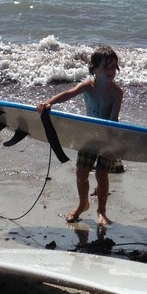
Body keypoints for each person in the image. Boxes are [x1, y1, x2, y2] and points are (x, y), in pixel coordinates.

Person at [39, 46, 123, 226]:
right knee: (81, 172)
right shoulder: (87, 87)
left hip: (107, 138)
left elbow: (113, 120)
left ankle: (101, 210)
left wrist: (113, 145)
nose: (110, 71)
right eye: (106, 67)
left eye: (114, 67)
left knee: (102, 174)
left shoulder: (117, 93)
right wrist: (48, 103)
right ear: (94, 68)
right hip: (89, 136)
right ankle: (83, 204)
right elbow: (67, 94)